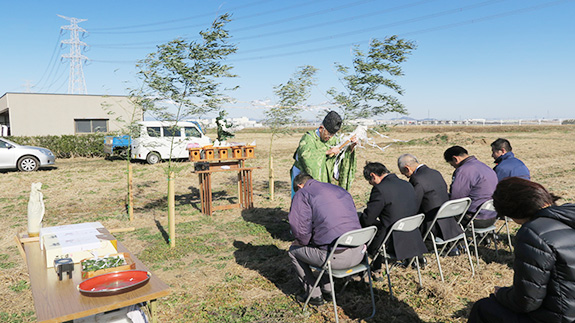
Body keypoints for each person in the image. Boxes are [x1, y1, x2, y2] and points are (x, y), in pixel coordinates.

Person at [468, 177, 575, 323]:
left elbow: (527, 302)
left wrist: (501, 294)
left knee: (483, 308)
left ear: (513, 210)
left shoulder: (533, 233)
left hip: (560, 317)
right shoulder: (568, 214)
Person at [288, 173, 365, 306]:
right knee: (327, 243)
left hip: (337, 260)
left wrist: (302, 242)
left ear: (300, 186)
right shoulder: (338, 189)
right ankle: (328, 289)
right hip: (359, 254)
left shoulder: (303, 193)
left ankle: (314, 295)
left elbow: (300, 229)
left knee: (293, 251)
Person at [359, 162, 427, 280]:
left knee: (371, 230)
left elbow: (368, 219)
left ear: (373, 175)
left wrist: (359, 216)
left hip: (392, 241)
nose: (371, 184)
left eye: (370, 181)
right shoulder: (407, 184)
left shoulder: (380, 190)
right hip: (412, 235)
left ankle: (376, 270)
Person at [397, 153, 463, 241]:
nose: (407, 176)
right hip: (449, 222)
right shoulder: (435, 172)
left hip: (432, 225)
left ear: (407, 168)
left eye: (405, 174)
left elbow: (414, 204)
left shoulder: (417, 179)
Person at [290, 111, 357, 197]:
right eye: (328, 135)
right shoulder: (308, 138)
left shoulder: (333, 139)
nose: (330, 138)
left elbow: (342, 154)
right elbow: (305, 155)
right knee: (300, 199)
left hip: (323, 176)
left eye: (332, 135)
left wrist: (351, 146)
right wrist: (326, 152)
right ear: (321, 128)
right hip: (301, 175)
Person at [444, 146, 498, 228]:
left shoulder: (463, 171)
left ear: (455, 159)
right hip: (492, 215)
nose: (453, 167)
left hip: (476, 218)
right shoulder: (484, 166)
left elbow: (456, 199)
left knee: (441, 214)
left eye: (452, 164)